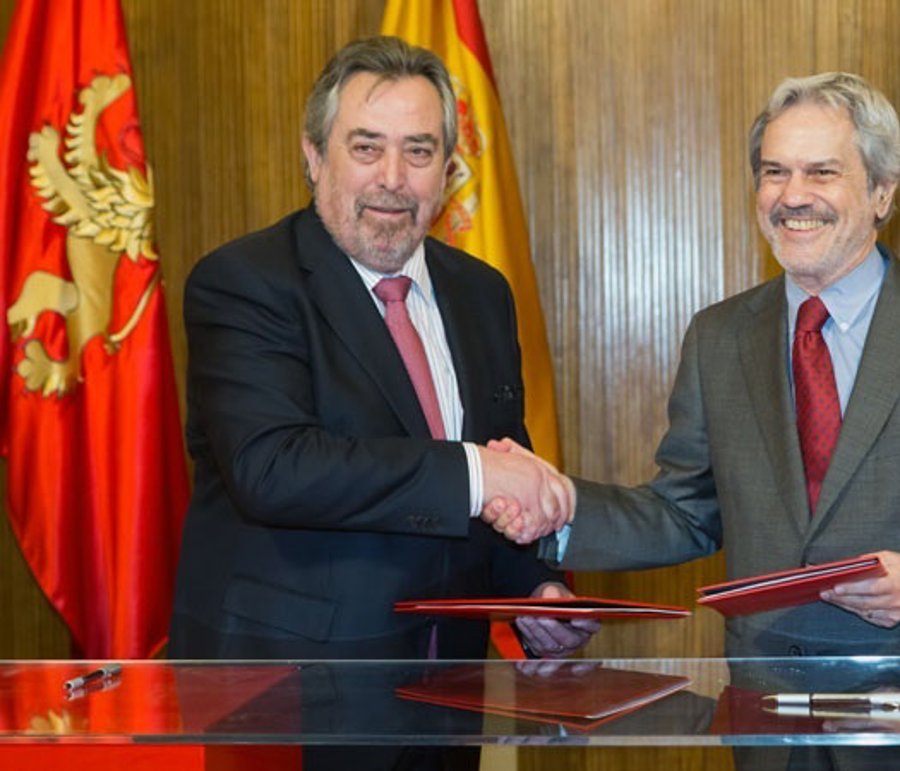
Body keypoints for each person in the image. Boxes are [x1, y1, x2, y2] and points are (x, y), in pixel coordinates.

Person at [486, 71, 900, 660]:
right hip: (767, 694)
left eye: (822, 172)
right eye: (775, 172)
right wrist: (564, 507)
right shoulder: (719, 337)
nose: (792, 196)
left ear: (881, 192)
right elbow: (686, 512)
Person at [168, 35, 594, 677]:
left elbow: (498, 475)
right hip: (288, 689)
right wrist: (478, 473)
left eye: (418, 151)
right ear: (315, 157)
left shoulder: (482, 294)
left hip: (450, 683)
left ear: (448, 170)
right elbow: (273, 468)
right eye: (366, 148)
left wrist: (535, 591)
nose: (392, 178)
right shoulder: (244, 281)